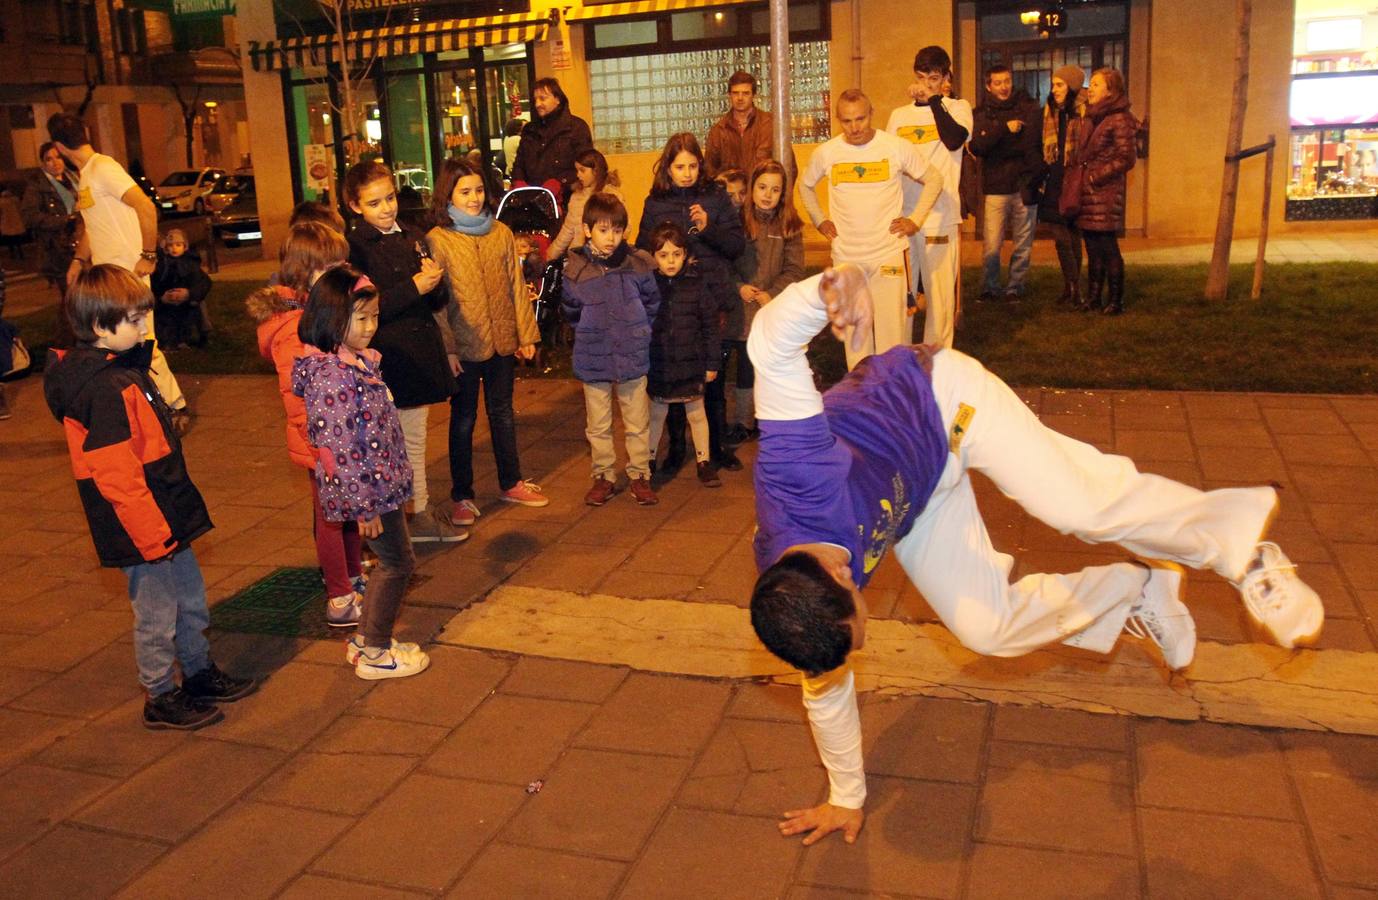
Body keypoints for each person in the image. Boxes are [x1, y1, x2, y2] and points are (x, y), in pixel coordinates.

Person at [745, 264, 1326, 845]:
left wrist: (824, 293)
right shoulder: (798, 607)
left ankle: (1243, 551)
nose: (866, 622)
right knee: (986, 629)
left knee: (1080, 507)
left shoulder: (798, 477)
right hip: (914, 502)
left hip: (941, 403)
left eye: (859, 611)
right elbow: (825, 687)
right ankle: (1138, 589)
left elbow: (770, 345)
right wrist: (845, 797)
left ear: (838, 570)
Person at [43, 265, 257, 729]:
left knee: (191, 599)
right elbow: (117, 476)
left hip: (164, 510)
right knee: (157, 613)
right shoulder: (102, 388)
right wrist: (152, 534)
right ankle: (160, 694)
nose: (144, 328)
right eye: (135, 320)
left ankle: (198, 672)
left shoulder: (121, 368)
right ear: (101, 327)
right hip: (143, 526)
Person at [293, 265, 429, 679]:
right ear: (334, 318)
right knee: (397, 564)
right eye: (362, 318)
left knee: (391, 564)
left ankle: (369, 639)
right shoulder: (333, 377)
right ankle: (375, 652)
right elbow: (341, 450)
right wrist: (364, 508)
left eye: (374, 317)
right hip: (370, 491)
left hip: (380, 485)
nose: (372, 327)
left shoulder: (353, 362)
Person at [248, 222, 371, 628]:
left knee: (346, 510)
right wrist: (324, 447)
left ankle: (352, 576)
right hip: (321, 441)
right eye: (332, 265)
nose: (342, 272)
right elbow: (298, 400)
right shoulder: (292, 330)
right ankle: (339, 595)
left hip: (335, 437)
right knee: (332, 517)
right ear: (306, 272)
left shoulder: (316, 314)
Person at [47, 112, 191, 433]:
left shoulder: (104, 168)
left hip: (129, 272)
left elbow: (146, 206)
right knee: (117, 343)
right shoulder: (87, 175)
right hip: (110, 274)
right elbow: (91, 226)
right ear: (84, 132)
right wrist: (78, 261)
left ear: (59, 146)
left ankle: (174, 405)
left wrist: (149, 255)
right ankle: (142, 406)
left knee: (142, 340)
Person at [344, 160, 463, 543]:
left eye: (390, 198)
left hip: (417, 355)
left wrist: (435, 282)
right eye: (375, 202)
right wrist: (415, 286)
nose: (386, 208)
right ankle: (397, 517)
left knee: (414, 438)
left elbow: (433, 300)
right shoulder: (356, 248)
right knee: (383, 442)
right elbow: (367, 305)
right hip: (387, 356)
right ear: (355, 206)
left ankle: (420, 510)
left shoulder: (412, 235)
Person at [427, 157, 550, 520]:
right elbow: (438, 303)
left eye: (479, 190)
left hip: (500, 342)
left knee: (502, 414)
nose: (474, 198)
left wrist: (526, 333)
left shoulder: (499, 233)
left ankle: (510, 481)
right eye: (465, 191)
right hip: (464, 346)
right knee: (463, 419)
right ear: (449, 194)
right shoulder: (439, 239)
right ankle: (461, 494)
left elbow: (516, 286)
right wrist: (447, 347)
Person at [799, 88, 943, 371]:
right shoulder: (827, 152)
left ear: (871, 114)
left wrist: (915, 219)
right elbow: (805, 185)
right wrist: (819, 218)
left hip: (887, 254)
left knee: (893, 333)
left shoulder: (894, 146)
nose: (854, 128)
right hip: (847, 257)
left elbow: (934, 179)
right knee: (856, 334)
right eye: (847, 121)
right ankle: (861, 395)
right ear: (838, 119)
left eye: (860, 119)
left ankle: (892, 393)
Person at [635, 132, 746, 475]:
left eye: (693, 166)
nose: (687, 173)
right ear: (667, 168)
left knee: (710, 375)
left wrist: (708, 228)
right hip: (671, 302)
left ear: (701, 165)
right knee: (674, 374)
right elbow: (642, 249)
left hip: (711, 297)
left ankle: (716, 447)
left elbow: (735, 244)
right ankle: (677, 446)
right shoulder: (656, 202)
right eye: (679, 166)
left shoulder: (714, 196)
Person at [562, 192, 660, 507]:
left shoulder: (637, 265)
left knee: (637, 421)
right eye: (603, 230)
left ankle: (639, 474)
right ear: (588, 229)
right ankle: (603, 475)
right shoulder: (576, 270)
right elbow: (571, 311)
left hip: (631, 351)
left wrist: (641, 330)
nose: (611, 238)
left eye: (617, 230)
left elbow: (652, 303)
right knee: (599, 424)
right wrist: (590, 330)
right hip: (593, 354)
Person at [887, 46, 972, 349]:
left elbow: (953, 140)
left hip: (941, 217)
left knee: (939, 299)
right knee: (904, 297)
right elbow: (891, 165)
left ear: (946, 77)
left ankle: (937, 366)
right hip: (906, 218)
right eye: (921, 78)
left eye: (933, 78)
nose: (926, 84)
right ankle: (902, 362)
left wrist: (934, 100)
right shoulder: (899, 116)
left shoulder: (958, 107)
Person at [727, 159, 805, 445]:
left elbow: (795, 269)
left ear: (783, 193)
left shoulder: (790, 224)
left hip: (773, 308)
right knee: (746, 365)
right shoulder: (736, 221)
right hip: (742, 306)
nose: (767, 194)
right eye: (762, 187)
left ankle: (770, 418)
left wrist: (772, 293)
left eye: (775, 189)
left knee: (770, 367)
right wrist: (739, 287)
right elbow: (725, 261)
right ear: (751, 188)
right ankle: (742, 421)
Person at [646, 222, 722, 488]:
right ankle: (649, 459)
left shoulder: (696, 286)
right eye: (664, 255)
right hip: (661, 364)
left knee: (696, 413)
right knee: (656, 414)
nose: (670, 261)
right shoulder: (650, 287)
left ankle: (704, 461)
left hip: (691, 364)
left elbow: (711, 327)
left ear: (686, 255)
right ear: (654, 257)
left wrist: (712, 362)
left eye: (676, 255)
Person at [969, 65, 1042, 302]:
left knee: (1023, 242)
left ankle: (1015, 288)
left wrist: (998, 143)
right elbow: (978, 147)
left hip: (1024, 185)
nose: (1004, 87)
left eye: (1007, 81)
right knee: (992, 243)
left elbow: (1031, 146)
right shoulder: (980, 114)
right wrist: (1002, 129)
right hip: (996, 188)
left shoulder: (1027, 109)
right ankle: (990, 287)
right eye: (998, 82)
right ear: (989, 86)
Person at [1073, 68, 1138, 316]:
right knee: (1092, 245)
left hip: (1106, 191)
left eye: (1097, 85)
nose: (1091, 90)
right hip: (1089, 192)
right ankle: (1093, 297)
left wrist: (1095, 176)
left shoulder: (1119, 118)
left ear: (1111, 90)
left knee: (1107, 246)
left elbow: (1126, 157)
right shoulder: (1092, 117)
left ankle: (1115, 300)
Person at [1036, 64, 1089, 307]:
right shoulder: (1051, 111)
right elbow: (1046, 146)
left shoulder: (1084, 111)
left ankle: (1073, 287)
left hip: (1074, 179)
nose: (1054, 89)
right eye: (1053, 84)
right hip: (1055, 179)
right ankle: (1072, 285)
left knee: (1073, 235)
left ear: (1072, 86)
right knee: (1060, 237)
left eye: (1060, 84)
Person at [510, 77, 594, 203]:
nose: (538, 104)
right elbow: (519, 164)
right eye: (535, 100)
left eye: (543, 98)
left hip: (567, 200)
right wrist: (519, 182)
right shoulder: (529, 130)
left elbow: (587, 166)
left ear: (557, 99)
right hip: (532, 202)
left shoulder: (576, 127)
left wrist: (560, 182)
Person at [705, 71, 789, 178]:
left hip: (764, 193)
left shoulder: (771, 125)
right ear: (729, 95)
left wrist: (778, 193)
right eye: (735, 93)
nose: (740, 98)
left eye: (745, 93)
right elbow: (709, 172)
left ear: (754, 95)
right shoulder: (718, 131)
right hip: (731, 194)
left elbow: (789, 166)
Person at [21, 142, 79, 293]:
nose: (55, 162)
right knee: (71, 294)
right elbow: (29, 216)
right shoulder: (36, 186)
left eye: (58, 157)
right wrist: (65, 220)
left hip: (80, 241)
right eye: (49, 159)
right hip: (58, 248)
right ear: (43, 163)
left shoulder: (74, 178)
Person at [548, 148, 623, 260]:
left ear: (596, 171)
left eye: (582, 170)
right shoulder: (576, 197)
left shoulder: (612, 196)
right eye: (577, 170)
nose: (578, 175)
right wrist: (550, 255)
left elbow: (624, 228)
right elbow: (567, 231)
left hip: (607, 257)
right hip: (579, 257)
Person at [151, 228, 211, 350]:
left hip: (189, 300)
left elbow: (203, 282)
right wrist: (162, 297)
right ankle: (170, 340)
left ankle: (201, 335)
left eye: (178, 245)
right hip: (167, 300)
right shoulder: (161, 265)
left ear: (185, 246)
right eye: (170, 246)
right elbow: (156, 283)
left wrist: (190, 294)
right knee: (167, 318)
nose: (174, 249)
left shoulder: (191, 263)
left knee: (198, 309)